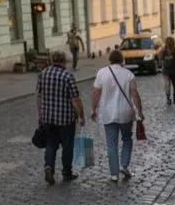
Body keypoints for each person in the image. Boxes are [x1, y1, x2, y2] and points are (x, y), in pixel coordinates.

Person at [91, 48, 144, 183]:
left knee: (111, 143)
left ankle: (114, 174)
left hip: (107, 112)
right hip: (125, 112)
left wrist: (93, 109)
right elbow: (135, 95)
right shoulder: (129, 74)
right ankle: (124, 165)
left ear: (110, 60)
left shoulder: (102, 73)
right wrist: (140, 112)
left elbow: (96, 93)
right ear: (122, 60)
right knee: (127, 138)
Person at [36, 49, 85, 186]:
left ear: (52, 60)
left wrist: (39, 115)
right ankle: (66, 173)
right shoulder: (67, 76)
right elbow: (75, 99)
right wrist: (81, 115)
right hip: (66, 119)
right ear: (64, 61)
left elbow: (39, 97)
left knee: (51, 144)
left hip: (48, 118)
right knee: (67, 146)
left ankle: (49, 167)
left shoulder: (43, 75)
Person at [160, 34, 175, 105]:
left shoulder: (162, 51)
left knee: (167, 85)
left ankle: (168, 99)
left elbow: (160, 60)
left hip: (166, 71)